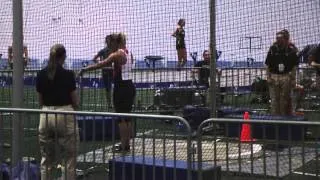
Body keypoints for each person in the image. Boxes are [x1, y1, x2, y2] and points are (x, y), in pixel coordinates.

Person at [79, 33, 136, 152]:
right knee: (127, 118)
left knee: (121, 119)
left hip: (121, 88)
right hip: (130, 86)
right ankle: (127, 145)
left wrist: (85, 69)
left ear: (117, 42)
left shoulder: (116, 54)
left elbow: (101, 64)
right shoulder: (129, 52)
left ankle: (123, 145)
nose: (110, 46)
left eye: (111, 44)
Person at [36, 44, 79, 180]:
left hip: (45, 115)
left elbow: (40, 101)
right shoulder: (68, 74)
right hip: (64, 114)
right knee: (69, 158)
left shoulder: (41, 74)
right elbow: (75, 101)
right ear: (63, 57)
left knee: (46, 159)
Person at [265, 30, 299, 115]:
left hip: (286, 76)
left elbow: (294, 66)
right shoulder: (273, 49)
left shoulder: (291, 50)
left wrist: (293, 79)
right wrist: (268, 77)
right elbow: (267, 65)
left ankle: (284, 118)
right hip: (274, 76)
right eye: (277, 38)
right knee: (274, 99)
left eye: (281, 38)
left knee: (285, 99)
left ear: (286, 39)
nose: (278, 40)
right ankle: (275, 118)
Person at [92, 35, 113, 108]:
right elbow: (94, 59)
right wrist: (100, 64)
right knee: (108, 89)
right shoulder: (103, 51)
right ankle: (109, 104)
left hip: (113, 72)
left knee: (116, 87)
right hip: (106, 72)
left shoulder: (115, 50)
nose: (109, 42)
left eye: (110, 40)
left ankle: (114, 103)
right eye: (107, 40)